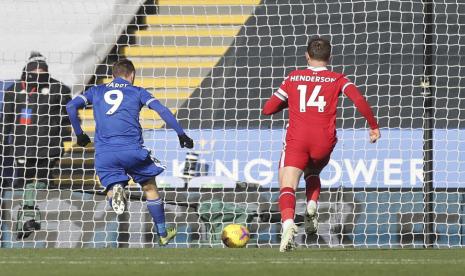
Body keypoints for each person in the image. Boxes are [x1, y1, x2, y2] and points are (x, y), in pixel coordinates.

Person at [262, 37, 381, 252]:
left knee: (287, 183)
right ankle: (312, 204)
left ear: (307, 55)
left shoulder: (293, 77)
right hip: (323, 141)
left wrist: (291, 102)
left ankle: (288, 223)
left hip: (298, 139)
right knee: (313, 171)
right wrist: (373, 126)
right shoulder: (338, 79)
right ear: (329, 57)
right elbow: (359, 100)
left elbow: (268, 109)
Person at [66, 59, 194, 246]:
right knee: (150, 187)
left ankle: (115, 193)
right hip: (132, 150)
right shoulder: (137, 91)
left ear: (113, 75)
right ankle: (163, 233)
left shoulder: (96, 91)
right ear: (131, 75)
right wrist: (181, 134)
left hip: (105, 153)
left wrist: (80, 134)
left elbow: (70, 106)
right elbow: (163, 110)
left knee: (111, 188)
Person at [0, 52, 71, 188]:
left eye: (42, 70)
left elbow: (67, 116)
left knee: (45, 181)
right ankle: (19, 207)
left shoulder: (58, 88)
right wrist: (3, 142)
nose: (38, 73)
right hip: (22, 146)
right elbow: (6, 119)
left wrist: (55, 128)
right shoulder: (13, 90)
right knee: (22, 180)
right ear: (28, 70)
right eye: (35, 70)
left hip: (48, 146)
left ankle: (46, 206)